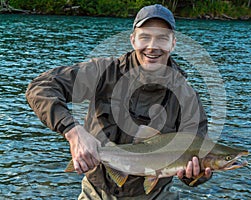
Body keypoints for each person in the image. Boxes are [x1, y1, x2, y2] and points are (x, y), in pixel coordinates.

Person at [26, 4, 212, 200]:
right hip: (96, 192)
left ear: (173, 44)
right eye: (145, 37)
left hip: (154, 195)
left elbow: (198, 166)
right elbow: (40, 87)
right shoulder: (103, 72)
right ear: (133, 40)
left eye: (162, 38)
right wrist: (73, 132)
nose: (152, 46)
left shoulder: (187, 98)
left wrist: (196, 176)